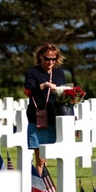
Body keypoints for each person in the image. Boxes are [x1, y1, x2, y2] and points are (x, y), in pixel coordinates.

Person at [24, 43, 66, 177]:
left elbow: (63, 93)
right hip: (37, 116)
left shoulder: (59, 73)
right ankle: (40, 191)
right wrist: (44, 85)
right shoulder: (33, 72)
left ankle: (45, 186)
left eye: (53, 59)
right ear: (41, 57)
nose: (50, 62)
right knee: (41, 159)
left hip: (53, 117)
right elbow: (28, 89)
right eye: (47, 59)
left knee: (49, 156)